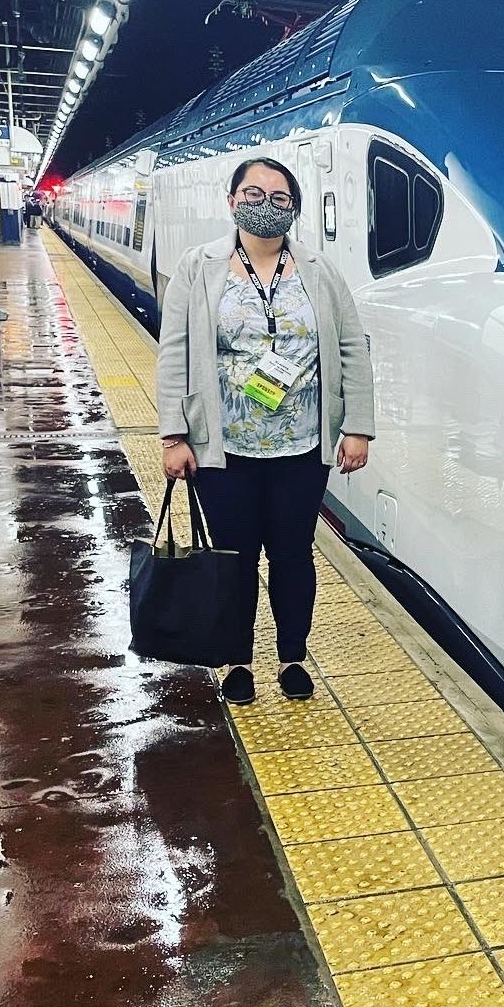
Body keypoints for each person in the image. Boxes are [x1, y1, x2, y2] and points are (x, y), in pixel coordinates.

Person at [155, 157, 375, 705]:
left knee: (293, 555)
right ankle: (238, 659)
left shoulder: (319, 271)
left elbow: (351, 347)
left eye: (280, 197)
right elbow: (174, 351)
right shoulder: (197, 266)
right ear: (232, 202)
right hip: (223, 448)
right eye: (254, 193)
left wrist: (358, 428)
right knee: (235, 558)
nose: (266, 204)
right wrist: (173, 435)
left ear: (294, 207)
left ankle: (292, 656)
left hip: (303, 447)